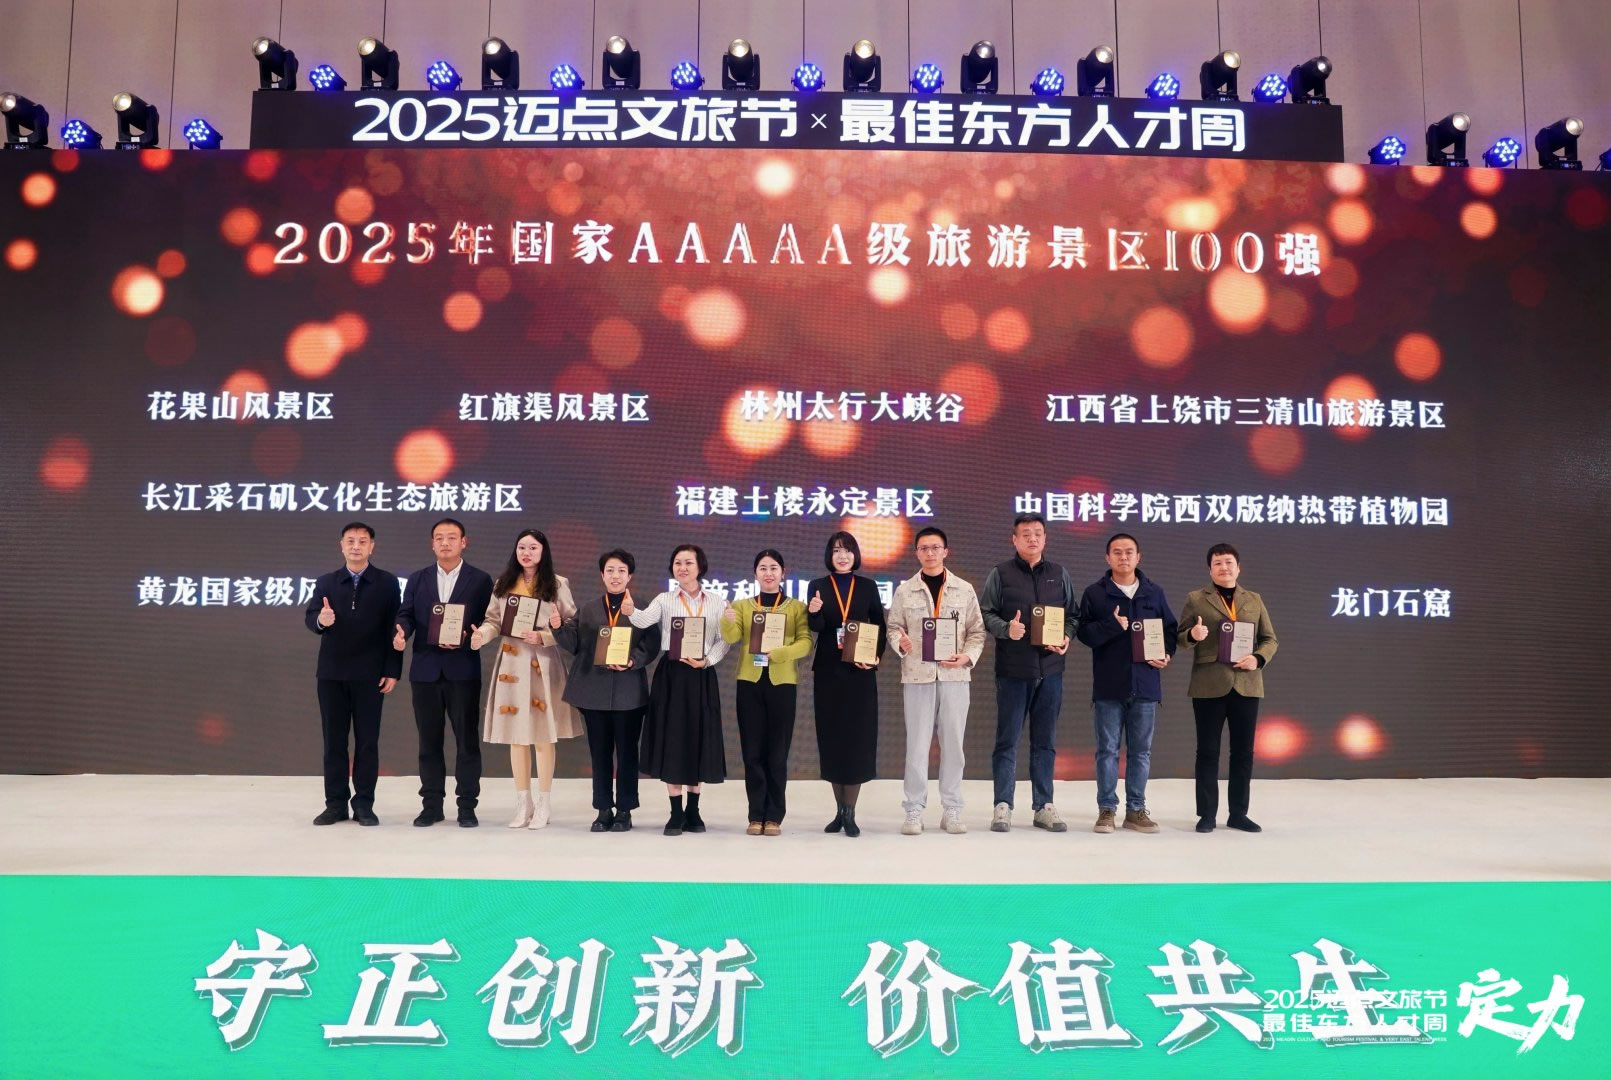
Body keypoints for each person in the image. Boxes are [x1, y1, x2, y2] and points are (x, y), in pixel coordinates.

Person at [468, 529, 580, 830]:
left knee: (543, 735)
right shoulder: (503, 584)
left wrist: (546, 635)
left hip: (543, 663)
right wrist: (481, 635)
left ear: (543, 552)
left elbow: (571, 623)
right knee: (516, 737)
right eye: (521, 547)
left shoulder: (557, 583)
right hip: (512, 663)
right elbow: (493, 621)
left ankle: (544, 802)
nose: (526, 553)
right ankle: (523, 802)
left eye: (532, 548)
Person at [980, 512, 1080, 833]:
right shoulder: (1000, 573)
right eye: (1026, 534)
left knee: (1045, 742)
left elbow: (1073, 615)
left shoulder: (1059, 574)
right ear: (1014, 539)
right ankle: (1003, 806)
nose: (1032, 538)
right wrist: (1006, 629)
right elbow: (985, 613)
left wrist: (1066, 636)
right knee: (1007, 741)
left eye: (1038, 533)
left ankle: (1044, 806)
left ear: (1045, 538)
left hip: (1051, 671)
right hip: (1013, 670)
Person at [394, 518, 495, 828]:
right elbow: (406, 614)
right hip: (425, 670)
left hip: (462, 670)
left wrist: (470, 636)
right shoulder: (418, 579)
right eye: (439, 538)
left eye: (452, 537)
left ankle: (467, 806)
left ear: (464, 542)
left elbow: (488, 620)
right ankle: (432, 805)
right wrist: (401, 631)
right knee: (428, 742)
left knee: (467, 742)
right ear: (432, 544)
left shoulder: (480, 580)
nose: (445, 543)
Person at [885, 527, 986, 836]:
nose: (930, 553)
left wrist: (967, 657)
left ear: (945, 551)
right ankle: (914, 809)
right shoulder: (905, 590)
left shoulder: (964, 589)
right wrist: (899, 644)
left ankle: (952, 808)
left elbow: (977, 631)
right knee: (916, 745)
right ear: (917, 553)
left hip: (955, 675)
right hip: (918, 675)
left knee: (953, 744)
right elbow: (893, 627)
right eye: (924, 548)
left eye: (935, 547)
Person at [1075, 532, 1177, 835]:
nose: (1123, 557)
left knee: (1141, 752)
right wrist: (1112, 625)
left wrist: (1166, 653)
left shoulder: (1154, 593)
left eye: (1129, 552)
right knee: (1107, 751)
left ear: (1138, 557)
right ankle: (1107, 809)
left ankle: (1136, 810)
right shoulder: (1095, 593)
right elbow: (1084, 634)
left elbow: (1170, 630)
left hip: (1145, 685)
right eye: (1117, 552)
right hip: (1109, 686)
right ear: (1108, 558)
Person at [553, 549, 659, 833]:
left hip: (629, 692)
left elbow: (651, 643)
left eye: (621, 571)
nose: (615, 576)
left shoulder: (641, 607)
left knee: (627, 753)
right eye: (610, 570)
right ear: (602, 575)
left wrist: (633, 660)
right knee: (599, 753)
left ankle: (624, 810)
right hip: (594, 691)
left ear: (630, 576)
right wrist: (557, 627)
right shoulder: (589, 609)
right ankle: (603, 809)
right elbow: (575, 644)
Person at [1176, 543, 1279, 834]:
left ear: (1238, 567)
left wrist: (1258, 658)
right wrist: (1193, 634)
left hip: (1247, 683)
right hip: (1208, 683)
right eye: (1218, 563)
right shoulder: (1196, 598)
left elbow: (1270, 639)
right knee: (1207, 752)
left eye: (1229, 562)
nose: (1224, 567)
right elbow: (1180, 638)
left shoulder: (1254, 599)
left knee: (1243, 752)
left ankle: (1238, 813)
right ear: (1210, 570)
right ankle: (1207, 814)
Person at [304, 522, 401, 826]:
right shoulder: (327, 582)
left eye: (362, 541)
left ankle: (364, 805)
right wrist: (322, 619)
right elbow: (311, 618)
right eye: (350, 541)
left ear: (372, 546)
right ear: (341, 546)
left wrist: (392, 669)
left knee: (367, 743)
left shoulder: (387, 583)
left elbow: (395, 628)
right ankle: (335, 805)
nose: (356, 546)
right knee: (334, 742)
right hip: (331, 674)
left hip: (370, 675)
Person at [630, 544, 731, 836]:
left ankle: (693, 811)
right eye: (677, 563)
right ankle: (675, 812)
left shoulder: (717, 601)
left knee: (697, 738)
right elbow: (643, 620)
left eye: (688, 562)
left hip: (701, 674)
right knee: (672, 739)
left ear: (700, 567)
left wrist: (707, 661)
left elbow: (724, 640)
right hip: (672, 675)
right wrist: (630, 611)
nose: (682, 568)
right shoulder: (664, 599)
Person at [720, 549, 812, 835]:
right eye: (763, 568)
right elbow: (732, 637)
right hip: (749, 682)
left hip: (782, 684)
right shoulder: (742, 605)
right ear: (755, 573)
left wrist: (782, 653)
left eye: (773, 568)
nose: (768, 573)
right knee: (752, 752)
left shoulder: (796, 607)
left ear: (783, 573)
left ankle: (774, 816)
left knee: (777, 753)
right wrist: (727, 619)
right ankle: (755, 815)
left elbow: (806, 642)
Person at [805, 531, 886, 837]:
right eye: (837, 550)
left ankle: (850, 812)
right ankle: (839, 811)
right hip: (828, 672)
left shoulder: (867, 586)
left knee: (857, 739)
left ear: (855, 555)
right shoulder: (818, 585)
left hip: (859, 673)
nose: (842, 556)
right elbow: (817, 627)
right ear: (830, 555)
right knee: (832, 738)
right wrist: (813, 612)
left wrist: (875, 658)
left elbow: (879, 625)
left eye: (848, 550)